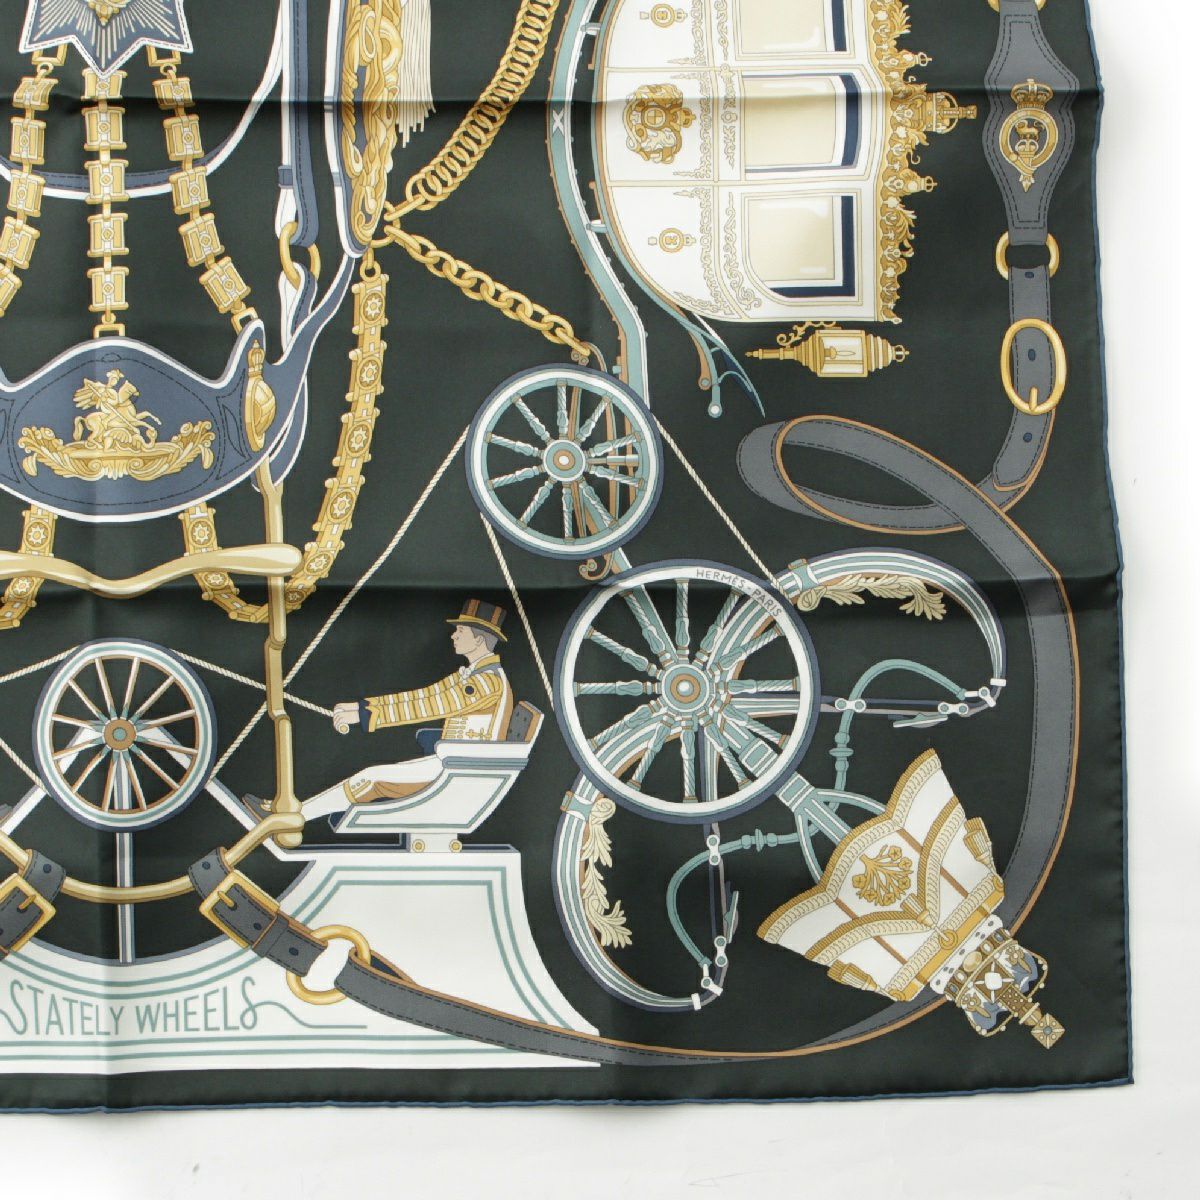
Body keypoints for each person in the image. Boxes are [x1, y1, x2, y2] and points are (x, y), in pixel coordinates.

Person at [243, 600, 513, 823]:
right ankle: (291, 815)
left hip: (459, 773)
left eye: (461, 631)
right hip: (452, 765)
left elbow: (427, 707)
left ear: (479, 639)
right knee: (369, 777)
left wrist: (363, 716)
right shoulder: (474, 675)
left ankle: (291, 819)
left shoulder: (485, 682)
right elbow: (421, 696)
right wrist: (359, 708)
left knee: (369, 779)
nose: (453, 635)